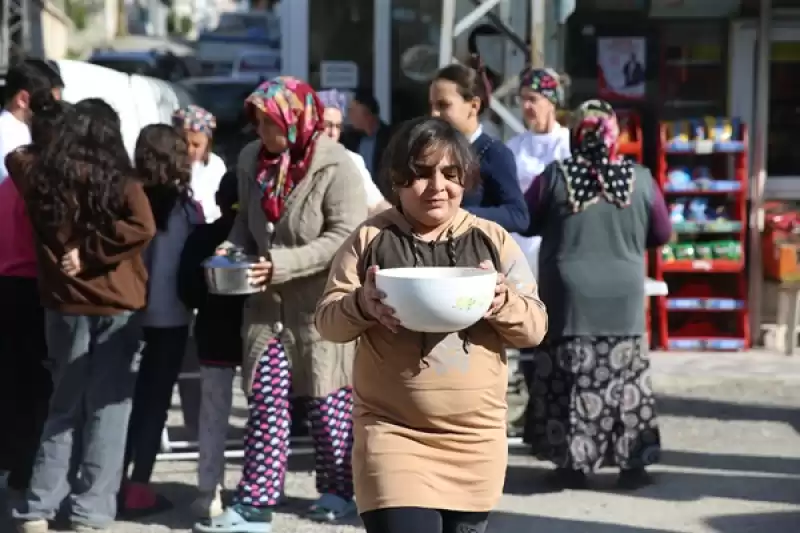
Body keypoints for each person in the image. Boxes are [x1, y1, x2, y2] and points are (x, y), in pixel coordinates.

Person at [315, 116, 548, 533]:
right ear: (398, 180)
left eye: (450, 173)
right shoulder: (370, 240)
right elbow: (328, 322)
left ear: (466, 179)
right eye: (421, 174)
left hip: (475, 445)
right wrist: (361, 304)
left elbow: (534, 327)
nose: (437, 186)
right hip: (392, 437)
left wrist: (501, 301)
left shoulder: (492, 240)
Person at [193, 76, 366, 533]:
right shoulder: (252, 161)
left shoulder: (338, 167)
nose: (264, 133)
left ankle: (338, 489)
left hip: (319, 311)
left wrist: (283, 263)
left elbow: (343, 237)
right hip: (266, 311)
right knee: (267, 403)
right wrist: (231, 252)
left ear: (298, 119)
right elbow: (244, 226)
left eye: (272, 123)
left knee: (328, 410)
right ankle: (255, 503)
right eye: (259, 123)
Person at [11, 98, 156, 533]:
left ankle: (38, 506)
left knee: (63, 406)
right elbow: (143, 226)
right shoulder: (122, 180)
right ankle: (90, 510)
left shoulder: (39, 175)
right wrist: (92, 252)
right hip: (117, 303)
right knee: (108, 412)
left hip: (63, 305)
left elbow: (15, 156)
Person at [522, 100, 671, 490]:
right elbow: (662, 233)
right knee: (625, 380)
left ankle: (571, 464)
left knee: (568, 380)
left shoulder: (553, 176)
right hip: (622, 297)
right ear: (612, 135)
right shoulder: (640, 178)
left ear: (577, 134)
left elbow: (528, 219)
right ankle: (632, 464)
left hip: (568, 298)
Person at [121, 124, 202, 517]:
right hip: (170, 318)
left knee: (116, 402)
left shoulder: (124, 198)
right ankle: (138, 488)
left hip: (125, 316)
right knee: (155, 406)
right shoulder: (185, 208)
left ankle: (110, 481)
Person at [0, 92, 68, 494]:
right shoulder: (39, 186)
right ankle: (27, 471)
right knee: (36, 388)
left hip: (5, 284)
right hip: (31, 288)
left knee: (10, 381)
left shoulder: (10, 182)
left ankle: (11, 463)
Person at [176, 171, 246, 519]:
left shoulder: (203, 236)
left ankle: (209, 491)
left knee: (213, 416)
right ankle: (258, 490)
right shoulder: (261, 239)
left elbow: (186, 290)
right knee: (264, 418)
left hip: (213, 335)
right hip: (256, 334)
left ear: (218, 200)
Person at [430, 56, 528, 234]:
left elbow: (518, 215)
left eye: (443, 105)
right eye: (432, 106)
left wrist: (462, 215)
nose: (434, 114)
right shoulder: (433, 153)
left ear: (473, 106)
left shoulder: (493, 153)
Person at [317, 89, 391, 215]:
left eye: (338, 127)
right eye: (327, 125)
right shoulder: (293, 161)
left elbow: (376, 204)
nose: (333, 133)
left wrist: (404, 223)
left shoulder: (351, 160)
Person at [173, 104, 227, 222]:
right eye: (185, 143)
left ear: (207, 144)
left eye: (196, 145)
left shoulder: (216, 165)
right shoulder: (173, 164)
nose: (190, 150)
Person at [0, 61, 53, 181]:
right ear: (22, 99)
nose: (50, 108)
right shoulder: (7, 134)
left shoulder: (21, 129)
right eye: (45, 100)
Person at [341, 88, 393, 195]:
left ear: (366, 113)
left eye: (352, 110)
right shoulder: (349, 139)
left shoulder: (390, 137)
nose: (349, 115)